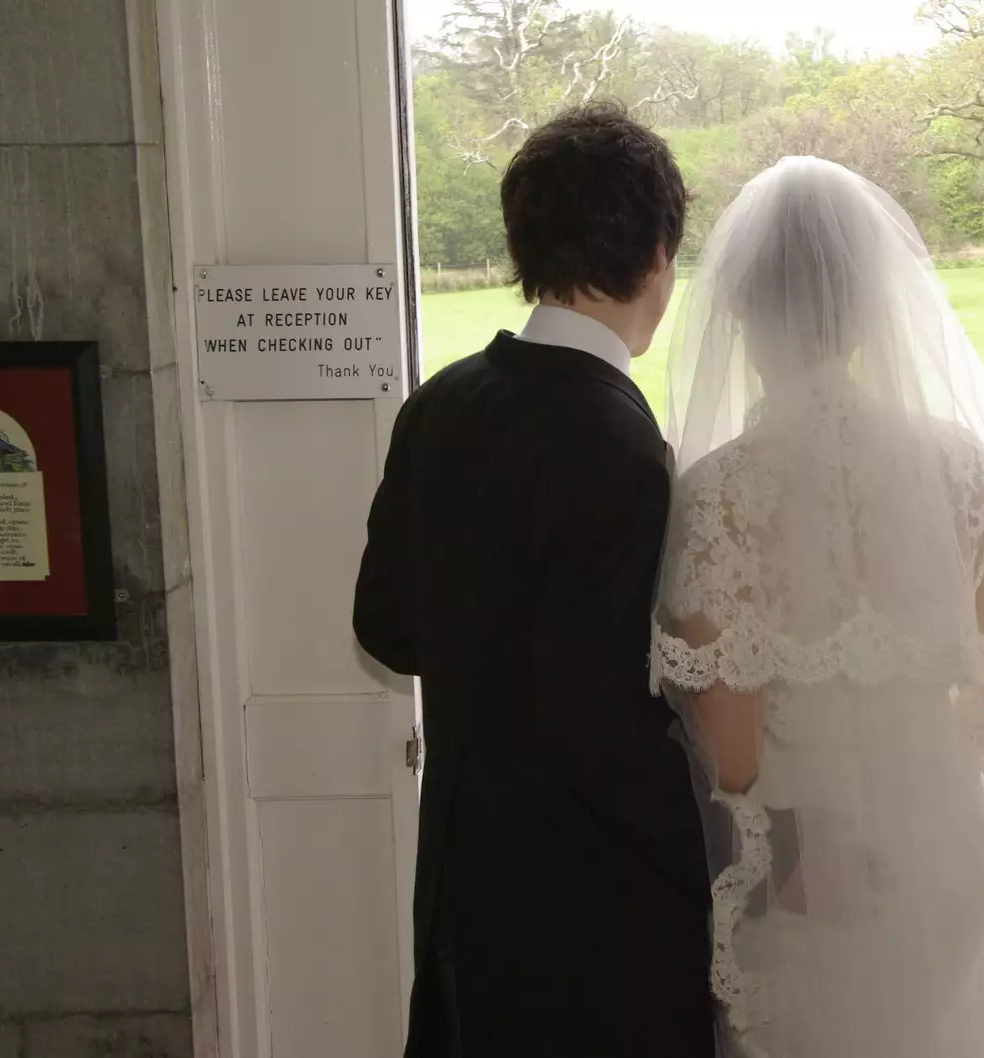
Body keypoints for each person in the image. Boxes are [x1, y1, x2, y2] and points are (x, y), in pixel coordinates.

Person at [650, 156, 984, 1058]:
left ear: (738, 312)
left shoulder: (722, 497)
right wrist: (917, 754)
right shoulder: (958, 470)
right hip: (936, 865)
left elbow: (732, 749)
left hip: (802, 877)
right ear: (873, 305)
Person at [353, 103, 715, 1058]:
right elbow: (600, 719)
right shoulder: (625, 448)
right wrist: (717, 853)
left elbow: (384, 626)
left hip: (464, 879)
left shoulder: (436, 405)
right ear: (654, 258)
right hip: (597, 905)